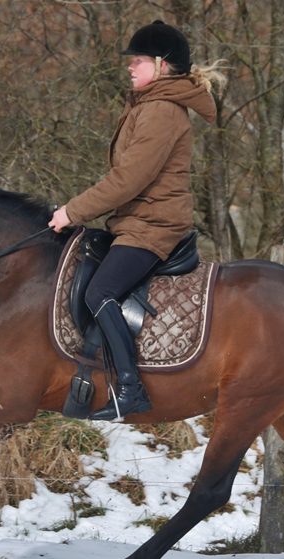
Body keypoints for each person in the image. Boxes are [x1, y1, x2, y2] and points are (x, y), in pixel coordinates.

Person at [49, 20, 223, 421]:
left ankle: (129, 389)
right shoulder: (149, 104)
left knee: (99, 292)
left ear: (162, 65)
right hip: (136, 221)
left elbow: (128, 180)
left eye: (138, 60)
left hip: (153, 225)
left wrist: (72, 211)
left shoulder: (161, 111)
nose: (130, 66)